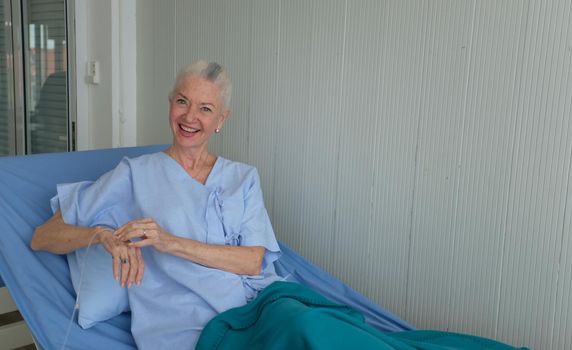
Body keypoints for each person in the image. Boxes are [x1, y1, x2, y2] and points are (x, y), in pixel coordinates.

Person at [31, 60, 282, 349]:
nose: (189, 116)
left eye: (205, 108)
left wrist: (169, 242)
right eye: (182, 101)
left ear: (221, 120)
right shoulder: (134, 174)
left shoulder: (243, 177)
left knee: (321, 331)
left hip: (261, 306)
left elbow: (252, 262)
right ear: (170, 104)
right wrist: (100, 235)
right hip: (187, 325)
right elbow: (43, 237)